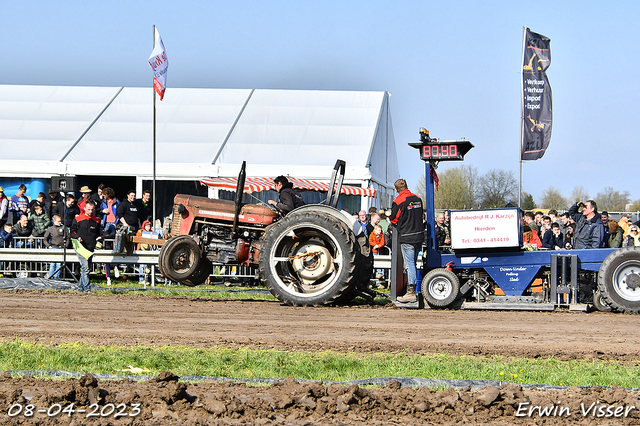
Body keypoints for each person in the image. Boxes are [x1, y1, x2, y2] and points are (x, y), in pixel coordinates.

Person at [390, 178, 424, 303]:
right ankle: (412, 289)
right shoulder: (418, 198)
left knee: (410, 265)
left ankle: (410, 293)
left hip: (407, 236)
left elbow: (393, 219)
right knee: (413, 264)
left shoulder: (398, 201)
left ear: (396, 189)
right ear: (407, 186)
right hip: (419, 236)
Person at [70, 200, 102, 292]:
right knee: (85, 268)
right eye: (88, 209)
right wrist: (77, 237)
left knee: (86, 269)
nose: (90, 211)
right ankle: (87, 288)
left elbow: (98, 233)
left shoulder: (96, 221)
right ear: (84, 209)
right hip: (80, 247)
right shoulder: (78, 219)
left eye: (92, 209)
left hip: (90, 247)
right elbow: (72, 232)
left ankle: (80, 288)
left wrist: (100, 238)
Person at [43, 215, 69, 279]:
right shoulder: (50, 229)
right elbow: (45, 238)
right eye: (58, 221)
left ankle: (57, 277)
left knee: (59, 264)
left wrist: (66, 246)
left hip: (61, 248)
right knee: (52, 264)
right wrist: (49, 246)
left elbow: (68, 237)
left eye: (60, 221)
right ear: (54, 221)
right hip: (54, 248)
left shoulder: (64, 228)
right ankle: (50, 277)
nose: (60, 222)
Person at [135, 220, 153, 285]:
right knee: (142, 265)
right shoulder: (140, 231)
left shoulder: (151, 232)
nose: (148, 227)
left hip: (149, 249)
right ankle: (141, 279)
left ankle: (147, 279)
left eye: (149, 226)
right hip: (141, 248)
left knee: (148, 265)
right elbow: (137, 239)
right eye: (147, 226)